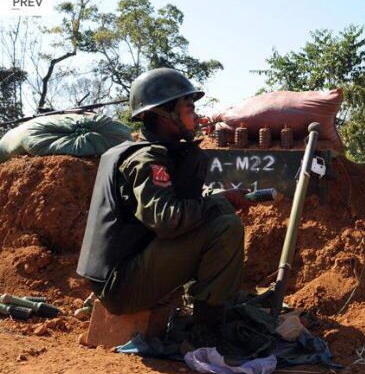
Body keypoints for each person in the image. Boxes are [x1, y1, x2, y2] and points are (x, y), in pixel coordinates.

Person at [77, 68, 255, 345]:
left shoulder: (157, 152)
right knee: (224, 227)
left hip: (125, 272)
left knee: (216, 216)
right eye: (189, 107)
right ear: (164, 113)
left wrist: (218, 195)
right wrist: (221, 201)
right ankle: (206, 336)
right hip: (121, 286)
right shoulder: (147, 160)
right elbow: (168, 219)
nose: (195, 115)